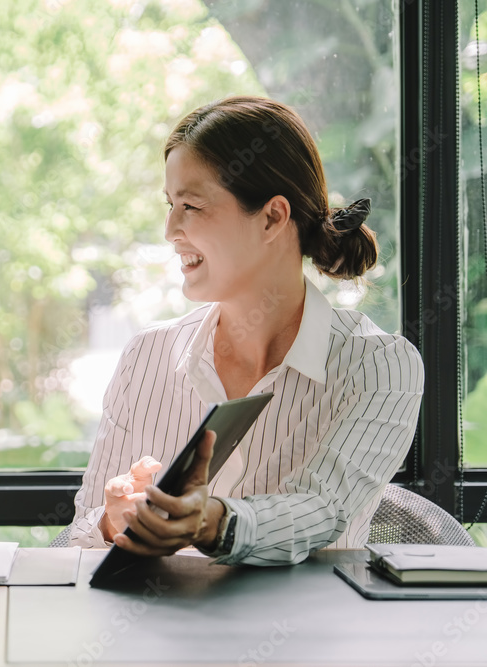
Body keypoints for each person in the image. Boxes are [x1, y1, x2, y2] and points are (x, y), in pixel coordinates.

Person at [69, 96, 424, 565]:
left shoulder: (380, 366)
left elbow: (322, 510)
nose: (171, 228)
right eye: (170, 205)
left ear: (273, 217)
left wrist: (212, 522)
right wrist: (115, 521)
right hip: (156, 633)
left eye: (191, 205)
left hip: (308, 635)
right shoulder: (146, 357)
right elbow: (80, 537)